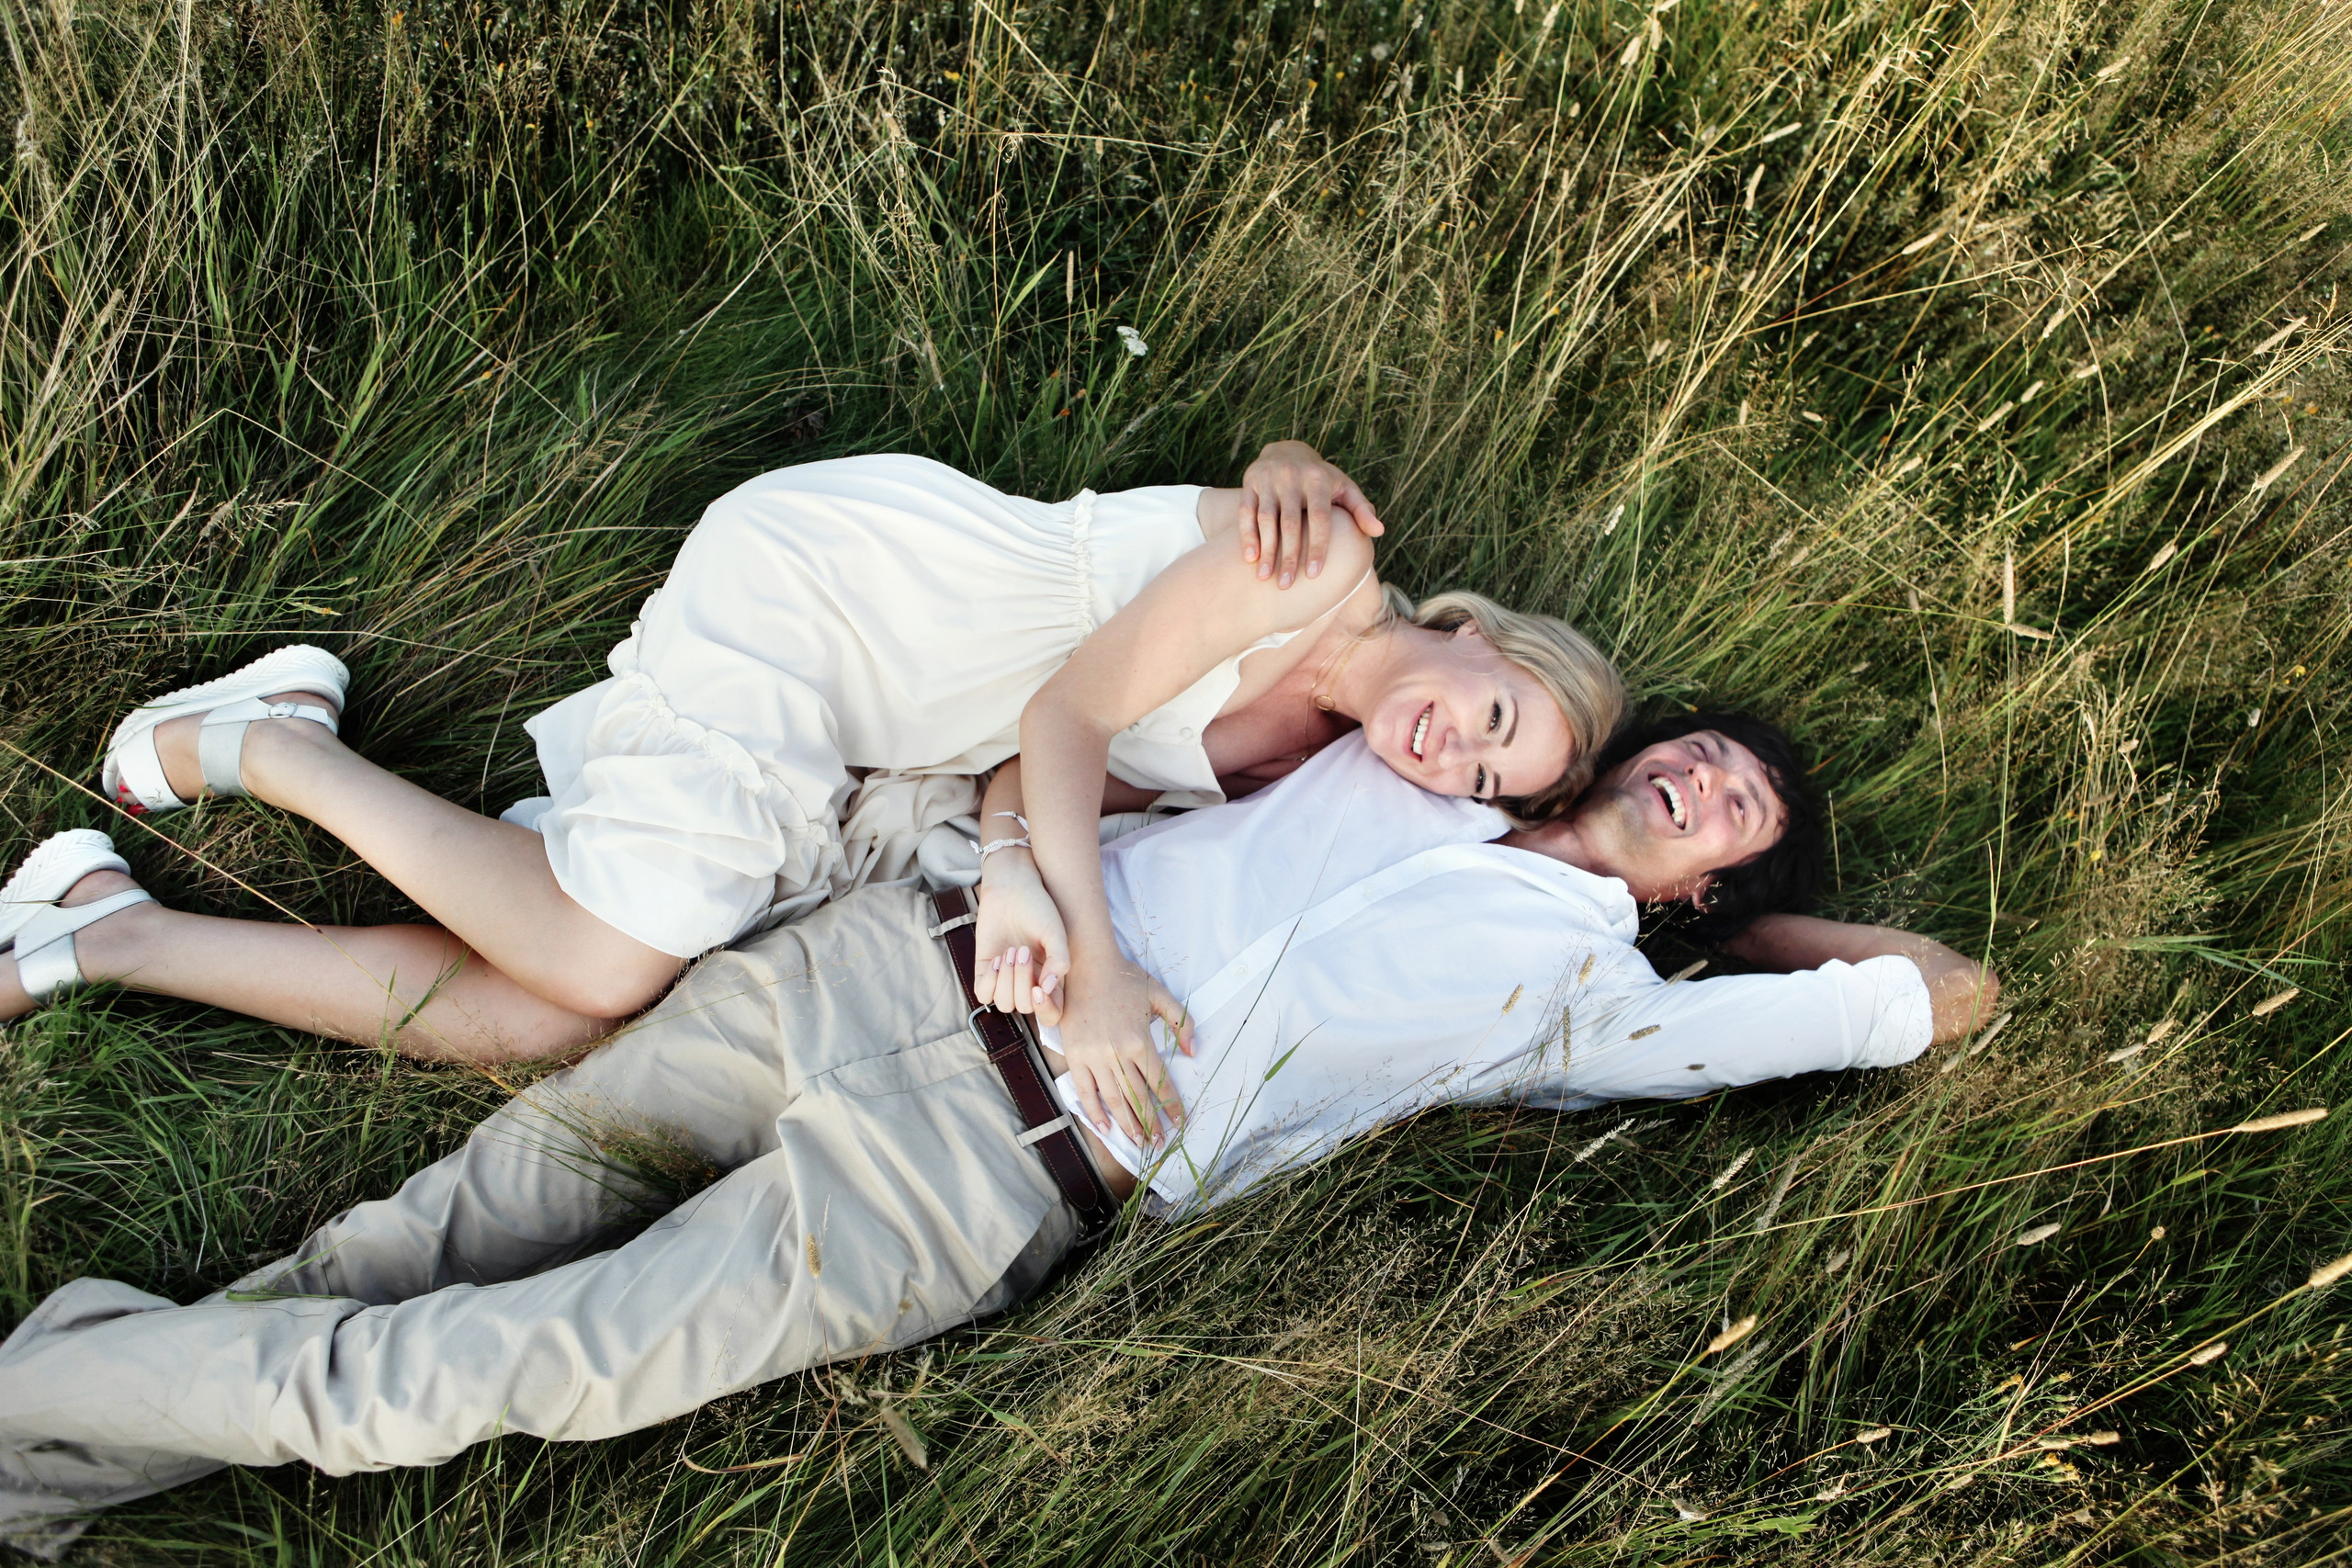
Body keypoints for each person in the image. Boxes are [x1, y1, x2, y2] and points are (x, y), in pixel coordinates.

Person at [0, 714, 1997, 1557]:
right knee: (405, 1244)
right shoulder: (1430, 760)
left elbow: (1945, 992)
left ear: (1715, 887)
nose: (1709, 776)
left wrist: (1730, 926)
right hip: (880, 963)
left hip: (973, 1182)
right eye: (1705, 750)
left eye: (1740, 807)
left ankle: (32, 1408)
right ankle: (43, 1455)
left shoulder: (1608, 1007)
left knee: (492, 1367)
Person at [0, 446, 1623, 1072]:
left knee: (560, 1019)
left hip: (871, 734)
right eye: (1493, 715)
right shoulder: (1315, 560)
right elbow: (1066, 718)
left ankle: (110, 935)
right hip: (842, 596)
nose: (1453, 753)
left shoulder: (1284, 761)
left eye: (1485, 783)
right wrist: (1103, 962)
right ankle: (277, 748)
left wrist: (1018, 881)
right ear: (1475, 635)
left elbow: (1030, 780)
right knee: (607, 955)